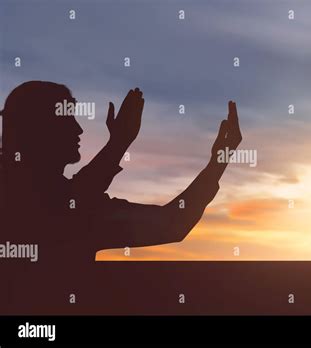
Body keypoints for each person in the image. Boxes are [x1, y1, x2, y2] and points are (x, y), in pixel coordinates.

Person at [0, 81, 242, 313]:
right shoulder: (67, 210)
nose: (78, 128)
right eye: (66, 118)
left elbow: (71, 200)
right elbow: (171, 224)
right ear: (37, 129)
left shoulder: (72, 205)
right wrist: (118, 143)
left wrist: (119, 142)